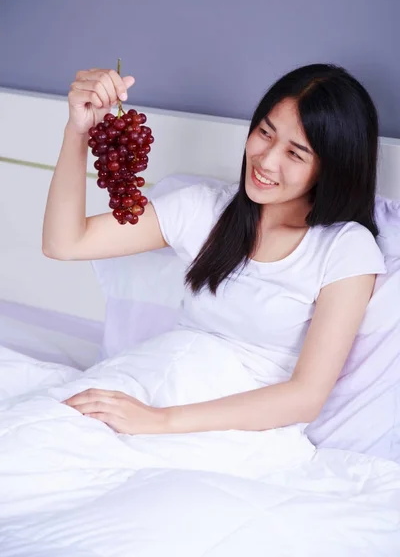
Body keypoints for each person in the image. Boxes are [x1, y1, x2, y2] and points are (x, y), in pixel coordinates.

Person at [42, 63, 386, 438]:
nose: (267, 161)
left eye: (296, 153)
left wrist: (160, 421)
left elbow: (305, 397)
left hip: (225, 427)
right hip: (147, 380)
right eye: (265, 133)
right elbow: (64, 243)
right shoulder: (204, 209)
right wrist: (78, 130)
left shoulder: (344, 247)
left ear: (331, 168)